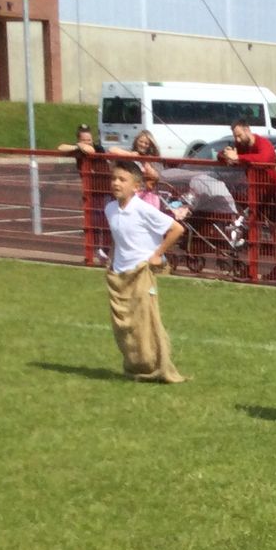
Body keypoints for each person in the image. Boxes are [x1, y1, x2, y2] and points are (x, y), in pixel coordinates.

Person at [100, 161, 186, 384]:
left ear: (136, 186)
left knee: (145, 322)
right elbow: (117, 238)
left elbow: (176, 229)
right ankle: (135, 364)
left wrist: (157, 254)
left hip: (140, 272)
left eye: (122, 179)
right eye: (114, 178)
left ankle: (157, 365)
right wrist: (111, 259)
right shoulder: (110, 209)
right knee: (124, 326)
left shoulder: (143, 209)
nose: (116, 183)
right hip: (120, 273)